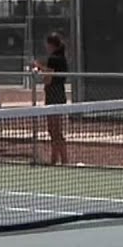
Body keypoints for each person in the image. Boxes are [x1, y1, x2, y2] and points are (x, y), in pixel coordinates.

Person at [34, 32, 70, 166]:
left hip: (54, 95)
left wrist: (39, 68)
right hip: (59, 94)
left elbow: (48, 79)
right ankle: (55, 158)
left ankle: (63, 159)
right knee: (54, 129)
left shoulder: (54, 58)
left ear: (51, 44)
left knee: (55, 130)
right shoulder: (61, 58)